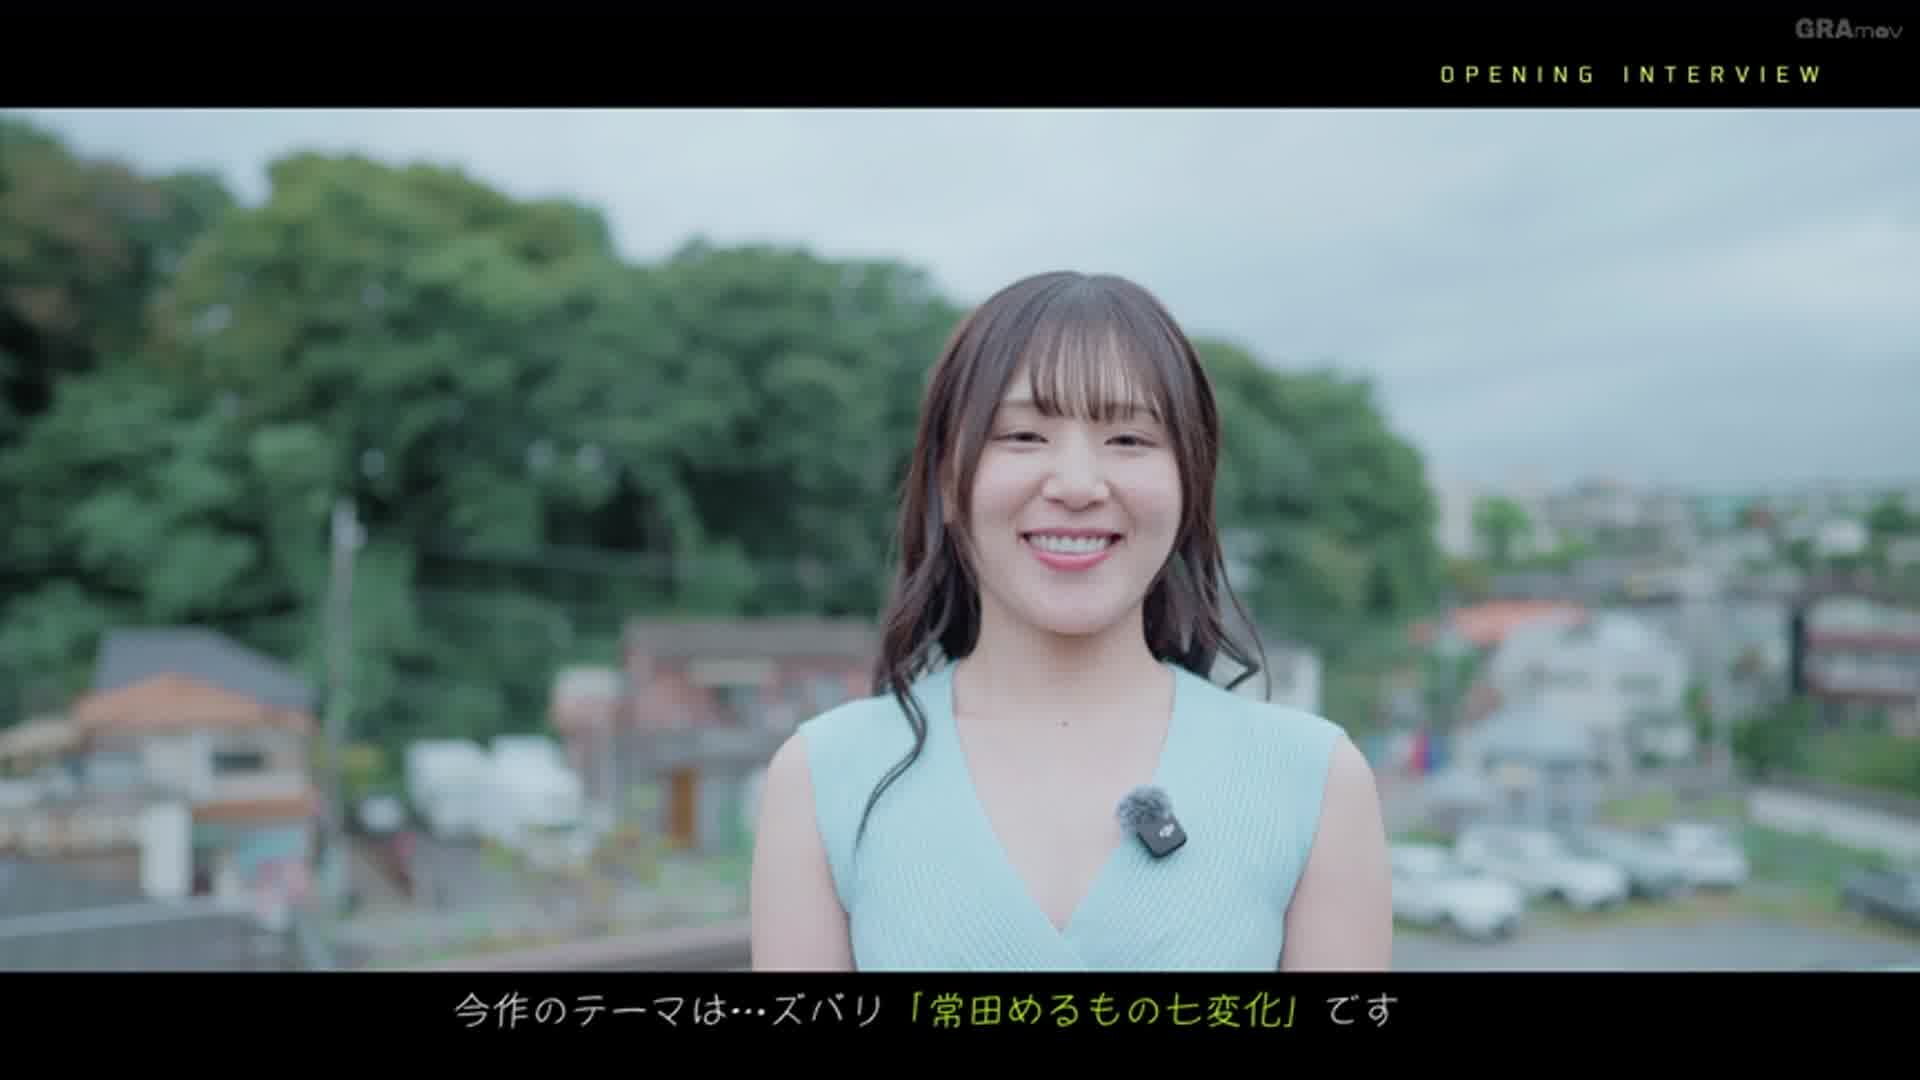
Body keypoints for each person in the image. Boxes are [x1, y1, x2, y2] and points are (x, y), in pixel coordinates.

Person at [749, 270, 1392, 971]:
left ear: (1191, 481)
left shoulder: (1313, 780)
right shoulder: (824, 777)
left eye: (1129, 439)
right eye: (1023, 435)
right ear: (946, 480)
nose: (1079, 486)